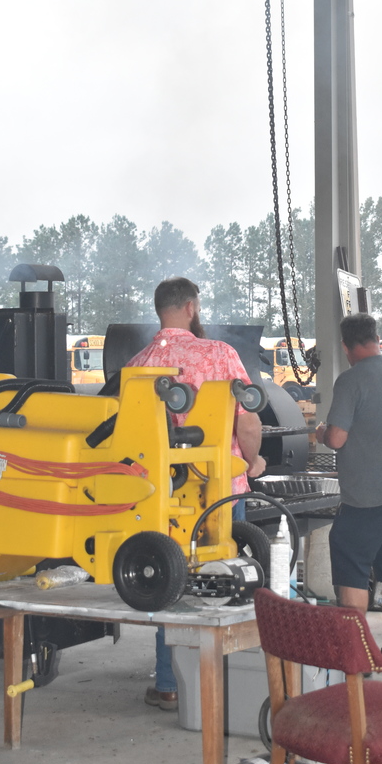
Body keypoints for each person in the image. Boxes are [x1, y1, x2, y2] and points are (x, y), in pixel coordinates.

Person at [127, 277, 266, 709]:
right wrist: (253, 460)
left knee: (165, 578)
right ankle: (221, 681)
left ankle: (171, 683)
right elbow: (246, 420)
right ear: (190, 307)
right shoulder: (219, 354)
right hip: (220, 489)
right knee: (224, 580)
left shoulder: (138, 364)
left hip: (161, 496)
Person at [315, 313, 382, 655]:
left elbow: (338, 438)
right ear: (377, 339)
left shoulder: (351, 380)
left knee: (351, 563)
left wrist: (321, 433)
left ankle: (354, 652)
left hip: (368, 497)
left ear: (346, 346)